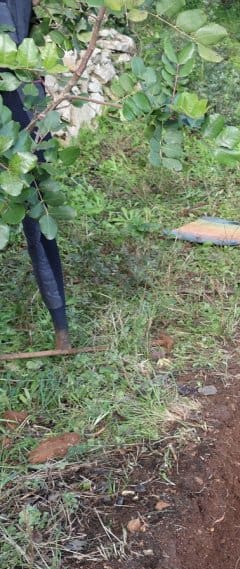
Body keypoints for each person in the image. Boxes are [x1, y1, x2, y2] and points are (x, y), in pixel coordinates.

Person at [1, 0, 70, 349]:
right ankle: (62, 331)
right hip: (25, 99)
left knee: (35, 210)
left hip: (19, 103)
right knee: (35, 213)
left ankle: (61, 330)